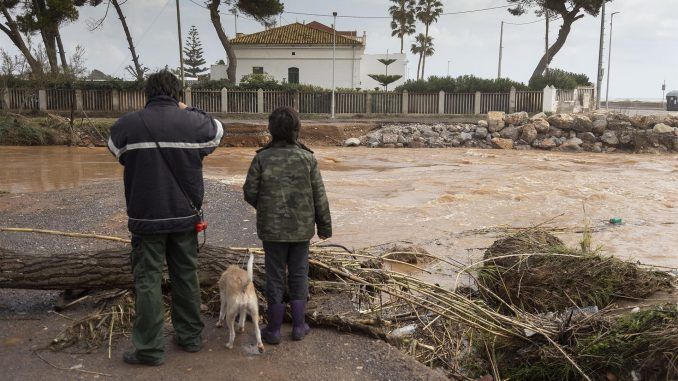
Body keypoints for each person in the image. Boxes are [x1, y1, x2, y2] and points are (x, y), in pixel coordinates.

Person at [107, 70, 223, 366]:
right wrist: (187, 109)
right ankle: (190, 338)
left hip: (146, 220)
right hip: (185, 217)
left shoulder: (128, 125)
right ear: (178, 94)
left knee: (147, 281)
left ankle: (149, 350)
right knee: (186, 276)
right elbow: (217, 130)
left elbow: (115, 150)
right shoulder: (193, 122)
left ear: (147, 94)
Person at [243, 106, 332, 344]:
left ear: (271, 130)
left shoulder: (261, 157)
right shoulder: (307, 158)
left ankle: (272, 330)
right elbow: (319, 196)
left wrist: (267, 208)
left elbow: (249, 192)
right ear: (296, 130)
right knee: (299, 275)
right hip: (301, 230)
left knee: (274, 276)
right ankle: (298, 326)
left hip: (272, 231)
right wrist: (324, 228)